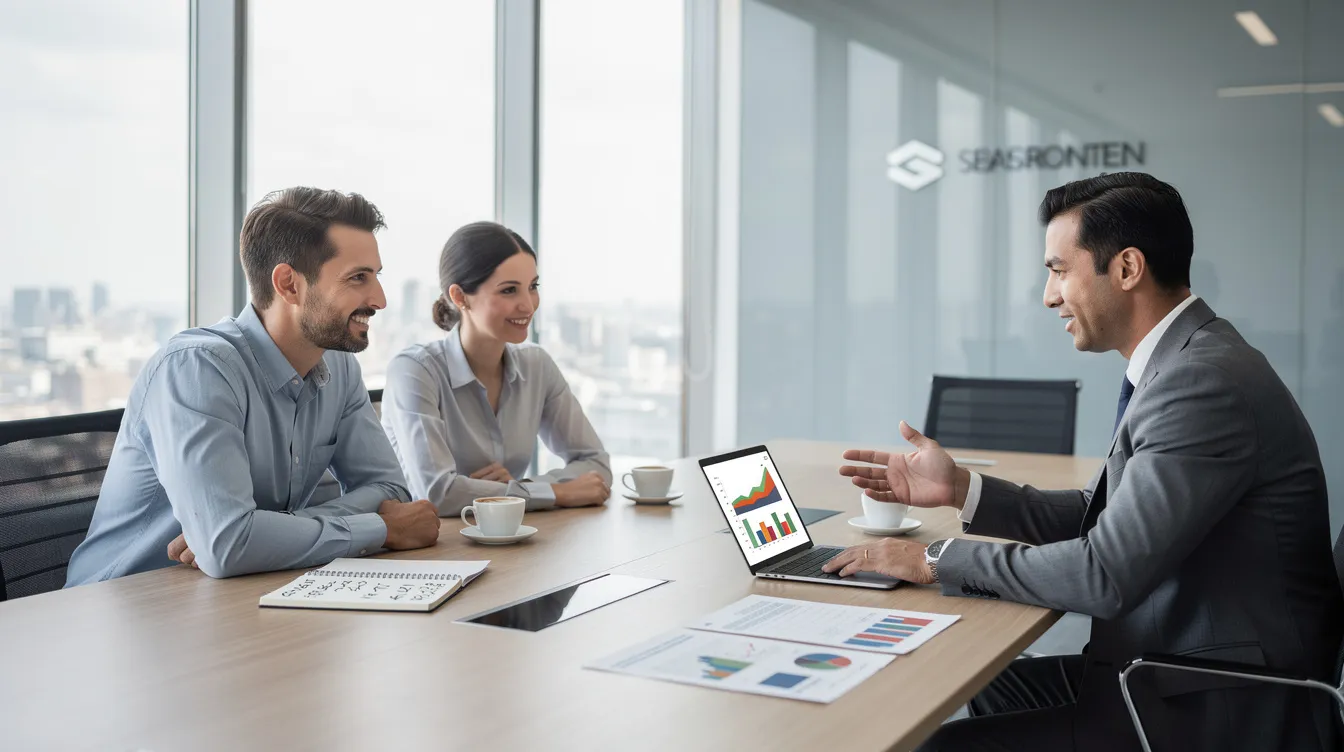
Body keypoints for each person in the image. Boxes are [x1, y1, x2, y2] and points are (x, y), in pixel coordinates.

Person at [822, 173, 1343, 751]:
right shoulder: (1187, 360)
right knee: (992, 686)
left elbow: (1104, 573)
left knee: (942, 746)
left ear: (1127, 268)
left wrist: (932, 559)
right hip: (1178, 663)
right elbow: (1100, 514)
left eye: (1059, 270)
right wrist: (962, 489)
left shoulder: (1200, 382)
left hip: (1218, 702)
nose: (1049, 296)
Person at [66, 188, 440, 585]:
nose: (379, 299)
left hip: (242, 590)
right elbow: (230, 546)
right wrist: (378, 529)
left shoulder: (339, 367)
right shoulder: (197, 368)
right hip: (125, 602)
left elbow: (389, 492)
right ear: (289, 285)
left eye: (376, 276)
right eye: (358, 278)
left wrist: (267, 531)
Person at [380, 221, 611, 516]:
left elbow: (596, 464)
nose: (528, 305)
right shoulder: (414, 370)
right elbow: (436, 493)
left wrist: (517, 490)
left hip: (509, 534)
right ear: (460, 297)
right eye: (509, 290)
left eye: (533, 287)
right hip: (432, 540)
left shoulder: (536, 365)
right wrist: (556, 492)